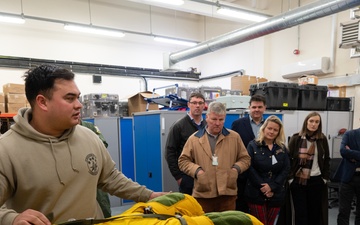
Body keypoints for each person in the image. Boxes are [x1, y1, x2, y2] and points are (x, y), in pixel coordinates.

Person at [0, 64, 167, 225]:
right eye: (70, 98)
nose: (79, 105)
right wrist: (11, 219)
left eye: (78, 97)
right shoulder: (7, 149)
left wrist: (148, 195)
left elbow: (110, 177)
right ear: (42, 102)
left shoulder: (89, 136)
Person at [178, 101, 251, 213]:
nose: (217, 123)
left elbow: (245, 159)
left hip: (228, 194)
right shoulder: (194, 139)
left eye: (221, 120)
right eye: (214, 119)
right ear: (207, 117)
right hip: (203, 194)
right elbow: (183, 161)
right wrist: (198, 171)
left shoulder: (234, 137)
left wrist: (235, 170)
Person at [244, 115, 290, 225]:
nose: (271, 132)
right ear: (264, 128)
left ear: (279, 132)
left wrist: (272, 187)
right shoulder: (252, 145)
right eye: (269, 128)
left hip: (276, 194)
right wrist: (264, 187)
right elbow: (249, 168)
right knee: (260, 223)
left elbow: (286, 169)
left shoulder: (282, 148)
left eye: (275, 130)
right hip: (256, 193)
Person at [288, 111, 330, 225]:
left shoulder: (322, 139)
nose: (313, 124)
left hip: (316, 180)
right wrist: (290, 178)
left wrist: (325, 178)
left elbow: (326, 159)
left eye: (317, 122)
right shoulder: (296, 138)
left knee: (314, 213)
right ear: (306, 122)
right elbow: (288, 159)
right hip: (299, 180)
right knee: (301, 213)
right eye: (311, 121)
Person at [165, 92, 206, 195]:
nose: (197, 106)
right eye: (194, 103)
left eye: (200, 103)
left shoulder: (207, 126)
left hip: (205, 175)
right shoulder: (179, 126)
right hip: (187, 177)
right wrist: (178, 177)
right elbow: (170, 152)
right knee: (189, 208)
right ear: (188, 105)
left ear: (204, 105)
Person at [231, 94, 267, 213]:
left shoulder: (269, 125)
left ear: (265, 108)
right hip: (243, 175)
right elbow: (233, 148)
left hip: (262, 174)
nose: (257, 110)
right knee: (241, 209)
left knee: (259, 211)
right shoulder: (238, 124)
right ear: (249, 107)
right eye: (254, 107)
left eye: (260, 107)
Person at [79, 119, 111, 218]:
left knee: (103, 206)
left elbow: (102, 144)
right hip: (79, 177)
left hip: (94, 174)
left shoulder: (89, 127)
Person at [336, 127, 360, 225]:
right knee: (343, 211)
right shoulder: (349, 134)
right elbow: (343, 151)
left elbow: (348, 153)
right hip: (348, 178)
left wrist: (353, 154)